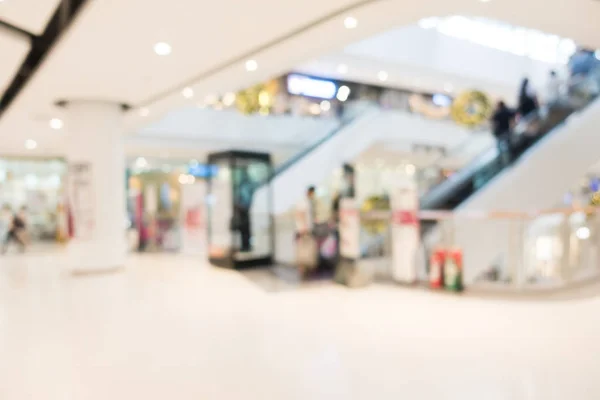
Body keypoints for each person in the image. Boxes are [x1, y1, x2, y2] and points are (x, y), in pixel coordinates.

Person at [491, 101, 516, 166]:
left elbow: (493, 123)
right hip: (506, 131)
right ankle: (510, 159)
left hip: (499, 133)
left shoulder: (497, 113)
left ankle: (502, 162)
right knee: (508, 146)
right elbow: (513, 118)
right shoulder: (506, 111)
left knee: (500, 148)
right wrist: (512, 128)